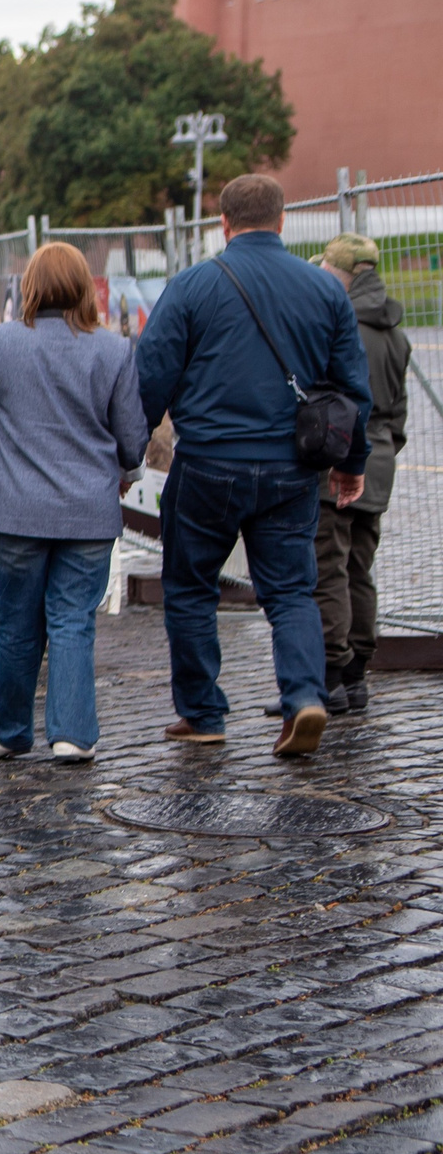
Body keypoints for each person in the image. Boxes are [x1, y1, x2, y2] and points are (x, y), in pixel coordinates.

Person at [137, 173, 372, 758]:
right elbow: (352, 390)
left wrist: (128, 451)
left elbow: (149, 380)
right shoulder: (325, 291)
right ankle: (303, 698)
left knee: (190, 590)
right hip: (292, 467)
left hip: (208, 462)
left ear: (223, 222)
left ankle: (203, 713)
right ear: (284, 220)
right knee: (291, 592)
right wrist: (350, 462)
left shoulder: (191, 287)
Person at [0, 242, 146, 762]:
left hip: (17, 506)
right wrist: (121, 470)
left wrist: (3, 444)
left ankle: (11, 731)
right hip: (88, 509)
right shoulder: (113, 350)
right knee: (72, 621)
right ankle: (72, 734)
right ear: (86, 287)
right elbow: (132, 439)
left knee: (16, 623)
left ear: (30, 287)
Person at [313, 234, 411, 715]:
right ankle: (356, 678)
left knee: (327, 567)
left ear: (342, 274)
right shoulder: (396, 331)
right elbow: (397, 413)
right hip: (380, 463)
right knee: (359, 570)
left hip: (338, 461)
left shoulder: (339, 324)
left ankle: (330, 677)